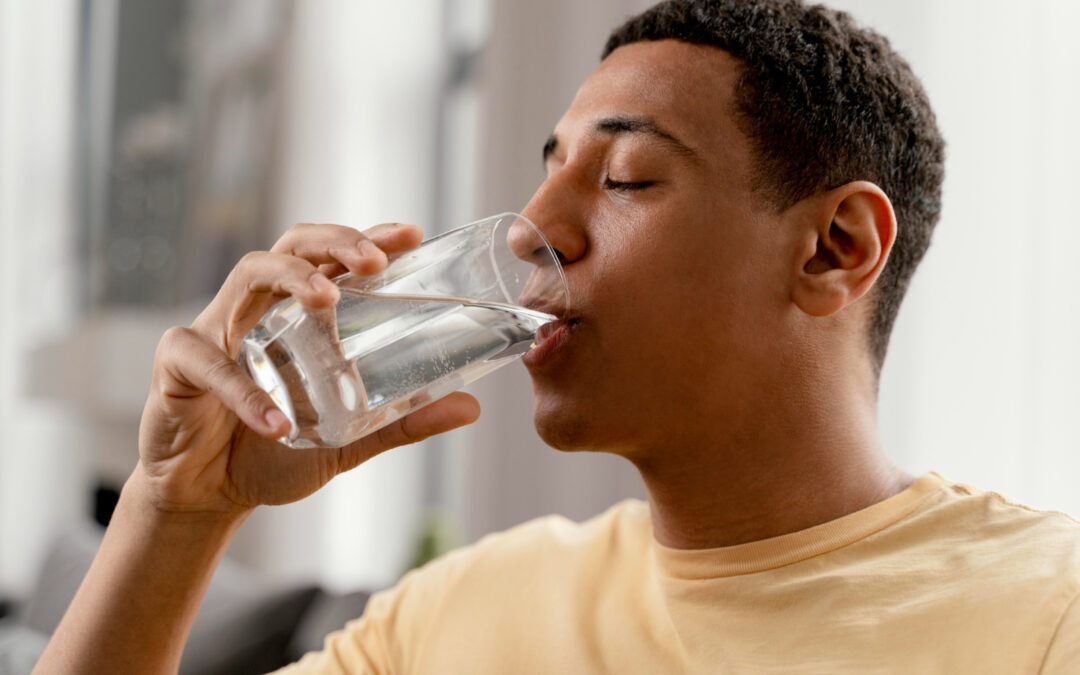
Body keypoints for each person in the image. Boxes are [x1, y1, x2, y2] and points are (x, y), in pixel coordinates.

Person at [35, 0, 1080, 672]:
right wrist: (178, 509)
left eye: (625, 178)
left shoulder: (1045, 617)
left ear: (834, 250)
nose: (539, 229)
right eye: (548, 170)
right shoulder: (463, 614)